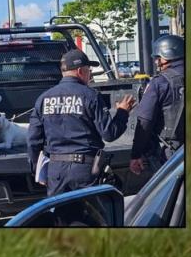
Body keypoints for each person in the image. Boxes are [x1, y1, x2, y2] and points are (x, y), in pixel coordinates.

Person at [28, 50, 137, 196]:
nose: (90, 75)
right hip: (85, 170)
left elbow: (33, 140)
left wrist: (38, 170)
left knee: (61, 217)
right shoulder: (90, 96)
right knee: (91, 216)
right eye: (88, 71)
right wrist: (123, 112)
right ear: (80, 71)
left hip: (56, 171)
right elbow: (109, 133)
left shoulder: (43, 99)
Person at [130, 35, 186, 175]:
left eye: (158, 57)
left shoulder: (160, 83)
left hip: (171, 154)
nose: (156, 61)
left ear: (167, 55)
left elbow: (145, 122)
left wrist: (136, 154)